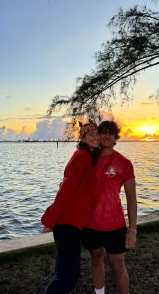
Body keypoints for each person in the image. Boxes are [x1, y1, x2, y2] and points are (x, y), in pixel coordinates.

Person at [41, 119, 100, 294]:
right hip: (68, 223)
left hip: (72, 223)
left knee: (63, 273)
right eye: (91, 134)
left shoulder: (87, 157)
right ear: (82, 138)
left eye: (97, 134)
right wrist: (50, 219)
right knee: (68, 275)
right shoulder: (82, 157)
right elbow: (66, 190)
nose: (95, 137)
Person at [82, 121, 137, 294]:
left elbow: (132, 198)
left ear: (115, 137)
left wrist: (132, 230)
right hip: (89, 224)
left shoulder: (124, 163)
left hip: (114, 225)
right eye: (102, 132)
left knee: (117, 264)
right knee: (96, 258)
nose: (106, 136)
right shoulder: (87, 158)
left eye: (110, 133)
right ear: (98, 135)